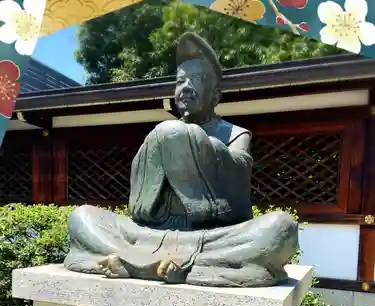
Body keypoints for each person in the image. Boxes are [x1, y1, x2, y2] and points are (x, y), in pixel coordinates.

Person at [64, 32, 298, 287]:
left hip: (212, 238)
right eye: (180, 81)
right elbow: (140, 207)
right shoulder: (160, 134)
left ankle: (141, 264)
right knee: (82, 217)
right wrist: (166, 142)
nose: (185, 87)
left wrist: (193, 144)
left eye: (196, 80)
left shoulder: (235, 135)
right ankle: (178, 267)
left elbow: (236, 195)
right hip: (148, 236)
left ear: (216, 95)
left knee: (281, 228)